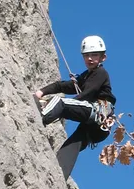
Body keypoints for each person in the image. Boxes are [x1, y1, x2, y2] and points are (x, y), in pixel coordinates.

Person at [34, 35, 116, 179]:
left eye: (94, 55)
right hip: (97, 128)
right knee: (73, 144)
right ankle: (59, 174)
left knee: (60, 103)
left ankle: (39, 116)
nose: (90, 58)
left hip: (98, 113)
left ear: (103, 58)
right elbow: (62, 85)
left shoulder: (100, 73)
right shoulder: (85, 77)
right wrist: (42, 91)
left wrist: (68, 107)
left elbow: (87, 93)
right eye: (86, 55)